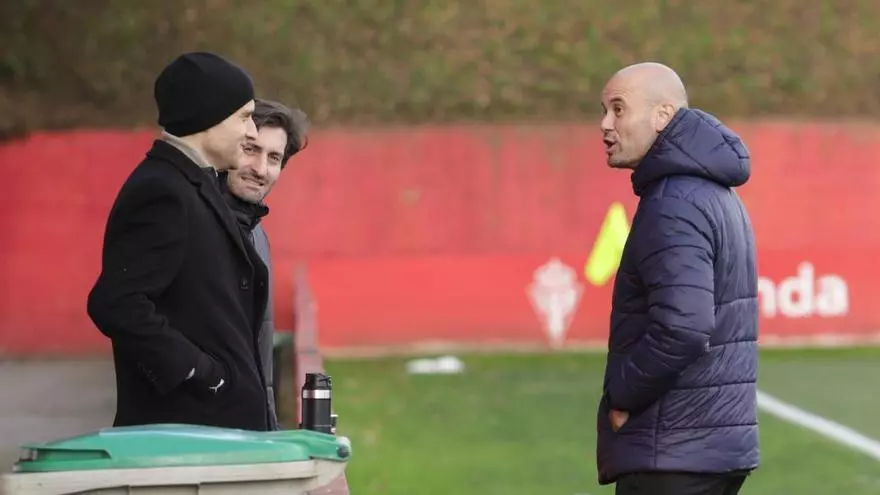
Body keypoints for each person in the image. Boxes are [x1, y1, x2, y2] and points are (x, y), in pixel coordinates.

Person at [595, 62, 759, 495]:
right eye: (604, 111)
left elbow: (684, 326)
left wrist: (623, 395)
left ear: (662, 115)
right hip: (707, 448)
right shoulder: (713, 192)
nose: (605, 124)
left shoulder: (674, 202)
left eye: (618, 109)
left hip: (672, 451)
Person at [87, 52, 273, 431]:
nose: (253, 132)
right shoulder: (163, 191)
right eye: (244, 117)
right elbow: (117, 303)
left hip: (209, 431)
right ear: (209, 116)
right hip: (187, 434)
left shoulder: (192, 184)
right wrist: (202, 374)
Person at [222, 98, 309, 430]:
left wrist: (267, 428)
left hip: (247, 431)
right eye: (251, 150)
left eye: (273, 158)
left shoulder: (257, 234)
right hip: (194, 435)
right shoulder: (194, 223)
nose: (260, 169)